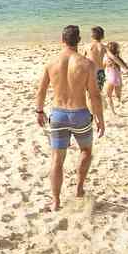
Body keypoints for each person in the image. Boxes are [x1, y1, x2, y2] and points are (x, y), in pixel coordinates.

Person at [36, 25, 105, 212]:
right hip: (80, 114)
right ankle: (79, 188)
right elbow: (94, 95)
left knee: (57, 159)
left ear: (62, 40)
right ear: (79, 40)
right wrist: (100, 119)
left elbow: (41, 91)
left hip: (58, 114)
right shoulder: (86, 64)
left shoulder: (51, 63)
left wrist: (39, 111)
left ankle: (56, 201)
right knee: (86, 151)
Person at [104, 41, 128, 114]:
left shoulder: (108, 59)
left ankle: (113, 111)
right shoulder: (118, 59)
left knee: (108, 95)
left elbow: (102, 67)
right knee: (118, 95)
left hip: (110, 79)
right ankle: (119, 103)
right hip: (118, 80)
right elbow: (126, 68)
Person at [87, 26, 108, 91]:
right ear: (102, 36)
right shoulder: (103, 47)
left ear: (92, 36)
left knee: (89, 91)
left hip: (90, 72)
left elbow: (82, 59)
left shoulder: (88, 46)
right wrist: (124, 67)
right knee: (99, 91)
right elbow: (112, 57)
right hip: (100, 72)